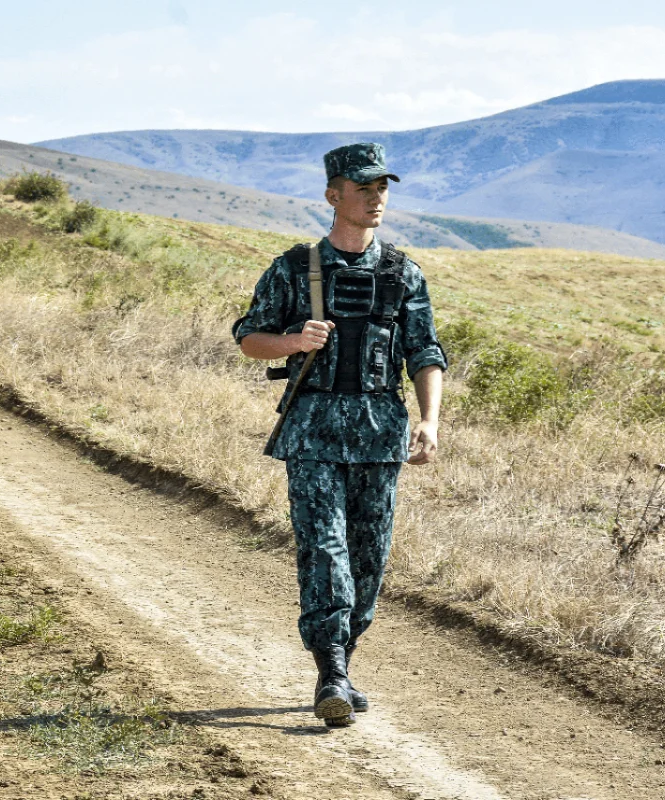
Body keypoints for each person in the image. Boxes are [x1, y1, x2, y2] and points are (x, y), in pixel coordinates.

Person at [232, 143, 446, 727]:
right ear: (334, 195)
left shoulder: (403, 272)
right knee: (325, 547)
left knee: (369, 556)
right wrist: (293, 342)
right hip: (313, 430)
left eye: (383, 188)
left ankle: (344, 665)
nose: (376, 198)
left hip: (380, 431)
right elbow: (250, 336)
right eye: (364, 188)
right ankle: (330, 668)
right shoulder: (295, 267)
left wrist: (428, 420)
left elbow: (424, 351)